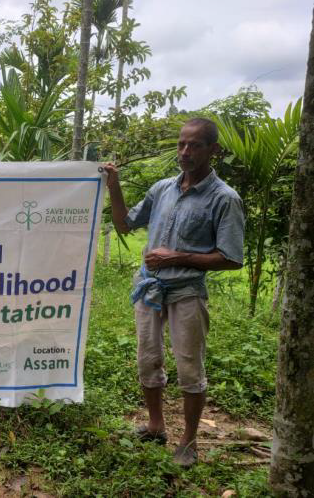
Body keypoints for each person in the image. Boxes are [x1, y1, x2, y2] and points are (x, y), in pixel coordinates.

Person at [103, 118, 244, 466]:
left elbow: (231, 259)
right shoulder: (162, 189)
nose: (185, 152)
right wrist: (114, 186)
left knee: (189, 368)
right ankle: (155, 426)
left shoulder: (224, 199)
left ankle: (190, 441)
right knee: (147, 358)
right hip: (149, 290)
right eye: (182, 144)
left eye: (194, 145)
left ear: (214, 150)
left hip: (186, 293)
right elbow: (125, 224)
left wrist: (177, 256)